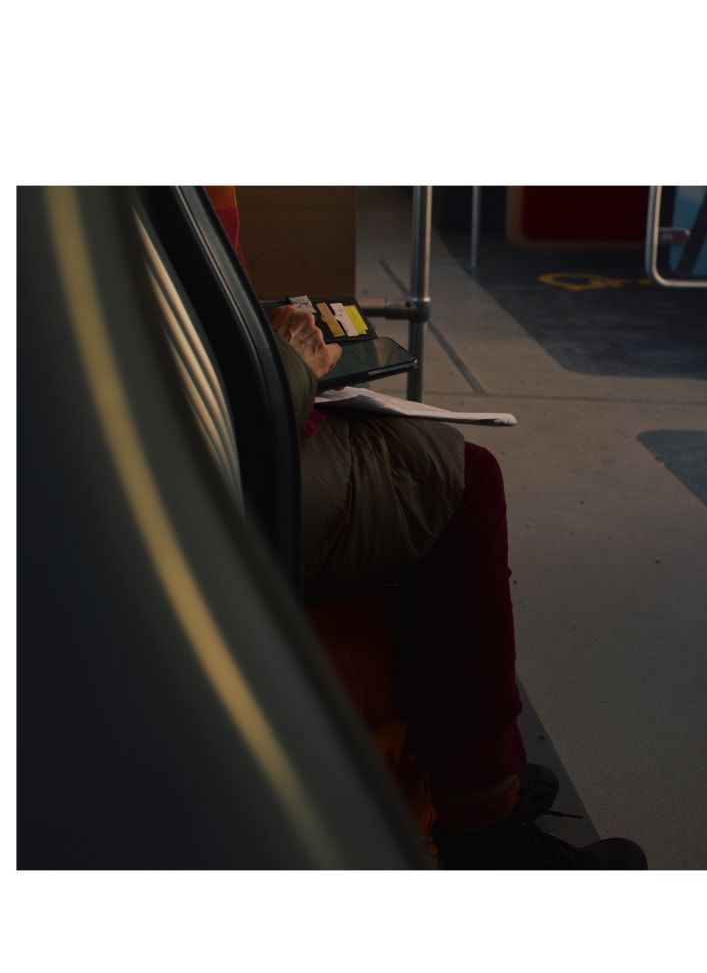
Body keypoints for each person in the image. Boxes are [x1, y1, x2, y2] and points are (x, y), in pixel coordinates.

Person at [205, 187, 647, 869]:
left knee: (416, 465)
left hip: (220, 428)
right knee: (460, 482)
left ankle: (457, 769)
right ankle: (483, 823)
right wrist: (290, 366)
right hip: (204, 471)